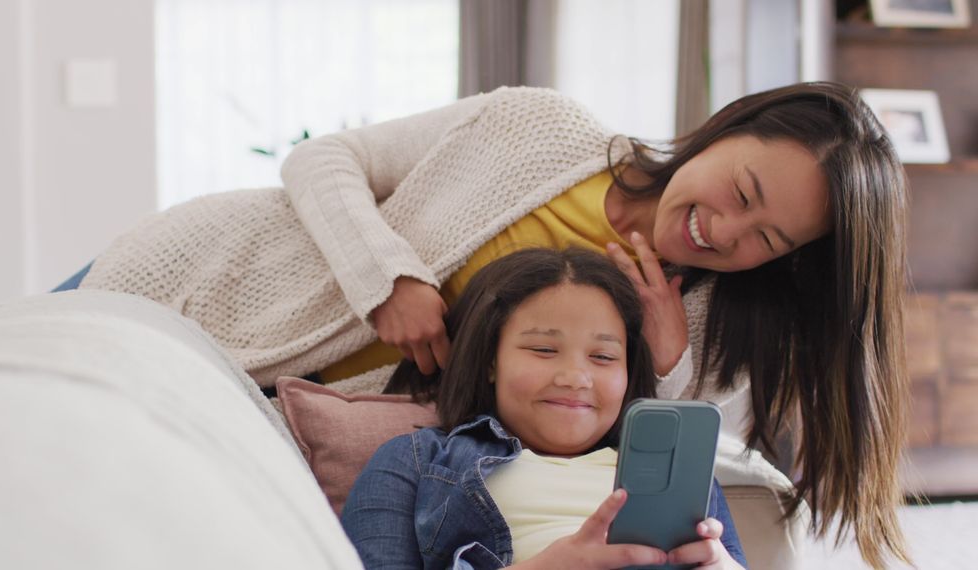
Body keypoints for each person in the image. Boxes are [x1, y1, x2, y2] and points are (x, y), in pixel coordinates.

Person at [73, 82, 908, 568]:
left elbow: (646, 467)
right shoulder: (542, 131)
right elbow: (325, 159)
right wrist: (387, 277)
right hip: (208, 276)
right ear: (728, 129)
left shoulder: (705, 331)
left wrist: (669, 363)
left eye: (767, 237)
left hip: (262, 413)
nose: (726, 230)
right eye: (745, 191)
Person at [342, 247, 747, 569]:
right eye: (543, 349)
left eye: (603, 357)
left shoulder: (684, 478)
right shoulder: (416, 461)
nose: (575, 377)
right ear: (489, 361)